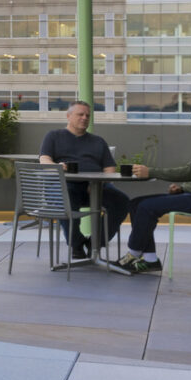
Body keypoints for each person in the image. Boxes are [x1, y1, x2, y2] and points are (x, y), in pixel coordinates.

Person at [117, 97, 191, 275]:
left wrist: (151, 171)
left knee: (145, 207)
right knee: (136, 204)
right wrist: (183, 188)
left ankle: (133, 254)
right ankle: (150, 259)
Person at [37, 100, 128, 260]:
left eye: (87, 115)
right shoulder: (53, 136)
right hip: (64, 185)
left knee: (121, 201)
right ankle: (76, 243)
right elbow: (44, 160)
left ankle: (95, 242)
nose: (85, 118)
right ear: (68, 116)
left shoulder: (98, 141)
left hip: (94, 187)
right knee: (67, 197)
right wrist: (58, 166)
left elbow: (109, 169)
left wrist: (101, 184)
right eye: (80, 114)